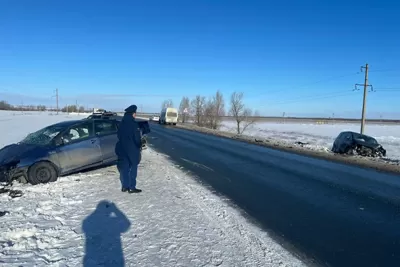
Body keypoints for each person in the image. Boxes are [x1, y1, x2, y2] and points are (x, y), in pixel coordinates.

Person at [115, 104, 142, 193]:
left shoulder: (121, 124)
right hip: (132, 150)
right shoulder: (134, 125)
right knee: (133, 168)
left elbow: (118, 136)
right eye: (135, 113)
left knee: (125, 168)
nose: (135, 115)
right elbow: (137, 139)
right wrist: (140, 145)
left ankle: (124, 186)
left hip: (122, 149)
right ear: (132, 114)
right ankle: (132, 187)